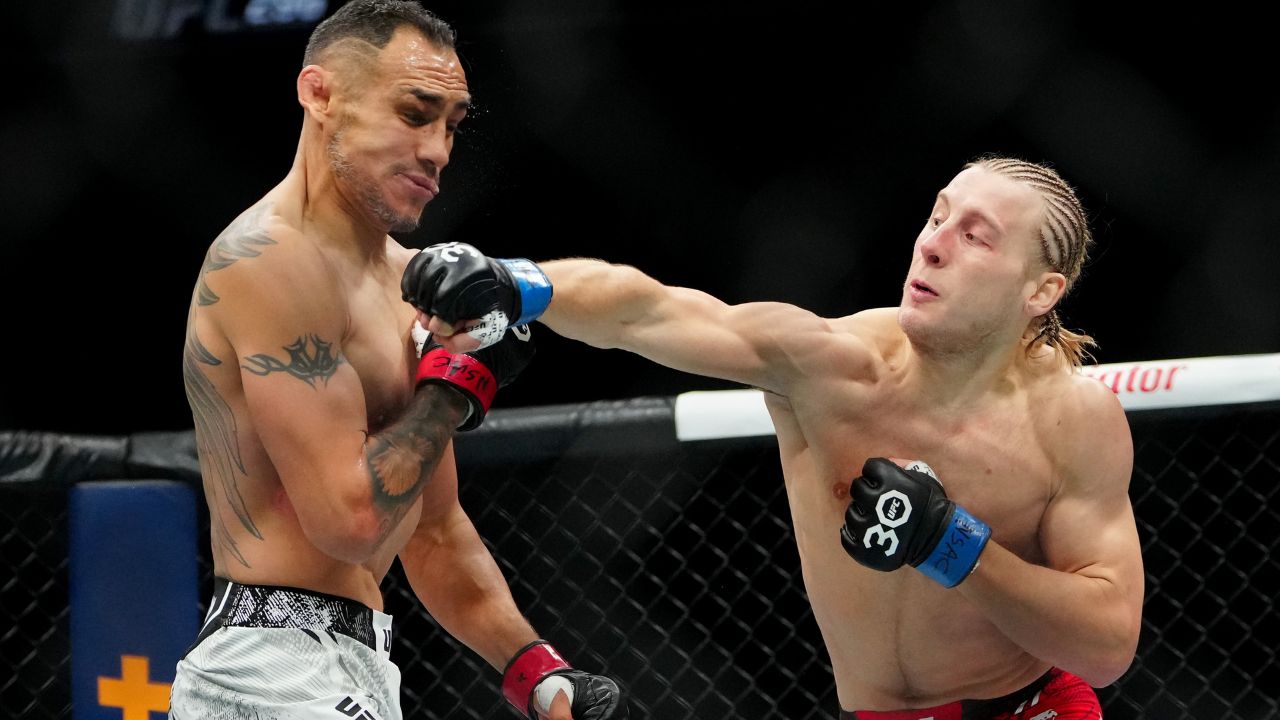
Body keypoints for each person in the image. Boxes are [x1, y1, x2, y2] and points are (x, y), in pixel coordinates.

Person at [402, 156, 1144, 719]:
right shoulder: (832, 367)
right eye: (938, 216)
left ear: (1039, 292)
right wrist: (520, 282)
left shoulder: (1070, 421)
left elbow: (1107, 647)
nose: (934, 245)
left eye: (975, 237)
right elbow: (649, 313)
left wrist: (953, 545)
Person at [171, 2, 626, 719]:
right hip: (268, 664)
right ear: (320, 94)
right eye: (415, 114)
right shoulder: (266, 261)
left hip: (356, 663)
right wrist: (456, 385)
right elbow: (348, 522)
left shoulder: (406, 283)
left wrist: (536, 673)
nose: (439, 151)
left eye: (451, 124)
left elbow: (434, 530)